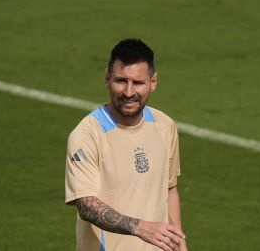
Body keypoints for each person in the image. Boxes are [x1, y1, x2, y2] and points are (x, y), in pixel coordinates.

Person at [65, 39, 188, 251]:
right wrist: (139, 227)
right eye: (121, 81)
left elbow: (169, 189)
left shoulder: (164, 126)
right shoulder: (87, 134)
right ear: (107, 78)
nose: (129, 92)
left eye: (138, 83)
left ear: (153, 82)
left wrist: (178, 243)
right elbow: (86, 205)